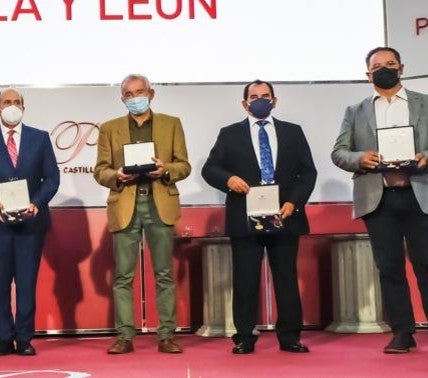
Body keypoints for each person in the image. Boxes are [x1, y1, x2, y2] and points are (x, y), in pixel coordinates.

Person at [331, 47, 428, 355]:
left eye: (390, 64)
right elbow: (339, 152)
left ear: (402, 68)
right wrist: (360, 158)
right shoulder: (354, 111)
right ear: (368, 74)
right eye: (378, 66)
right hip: (378, 198)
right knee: (389, 269)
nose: (385, 69)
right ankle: (402, 333)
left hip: (421, 193)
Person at [202, 81, 316, 354]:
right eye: (254, 97)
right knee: (246, 279)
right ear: (244, 104)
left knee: (286, 278)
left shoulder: (293, 132)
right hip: (245, 217)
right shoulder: (229, 134)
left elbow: (307, 172)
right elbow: (210, 169)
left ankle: (290, 337)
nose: (260, 100)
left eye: (265, 96)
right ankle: (244, 336)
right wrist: (229, 179)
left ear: (274, 101)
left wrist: (294, 202)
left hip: (285, 215)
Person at [92, 73, 190, 355]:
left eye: (140, 92)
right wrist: (118, 175)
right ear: (123, 98)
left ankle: (167, 336)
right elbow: (100, 170)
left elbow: (183, 165)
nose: (135, 98)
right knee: (123, 275)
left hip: (160, 202)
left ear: (151, 93)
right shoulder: (109, 129)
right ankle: (124, 336)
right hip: (125, 204)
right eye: (129, 94)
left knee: (164, 274)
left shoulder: (172, 124)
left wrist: (166, 170)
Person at [0, 87, 59, 357]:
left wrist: (36, 203)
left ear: (24, 107)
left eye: (17, 102)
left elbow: (51, 178)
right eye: (7, 102)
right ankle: (3, 338)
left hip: (31, 223)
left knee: (27, 283)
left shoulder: (40, 139)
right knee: (0, 283)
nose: (12, 105)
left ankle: (25, 338)